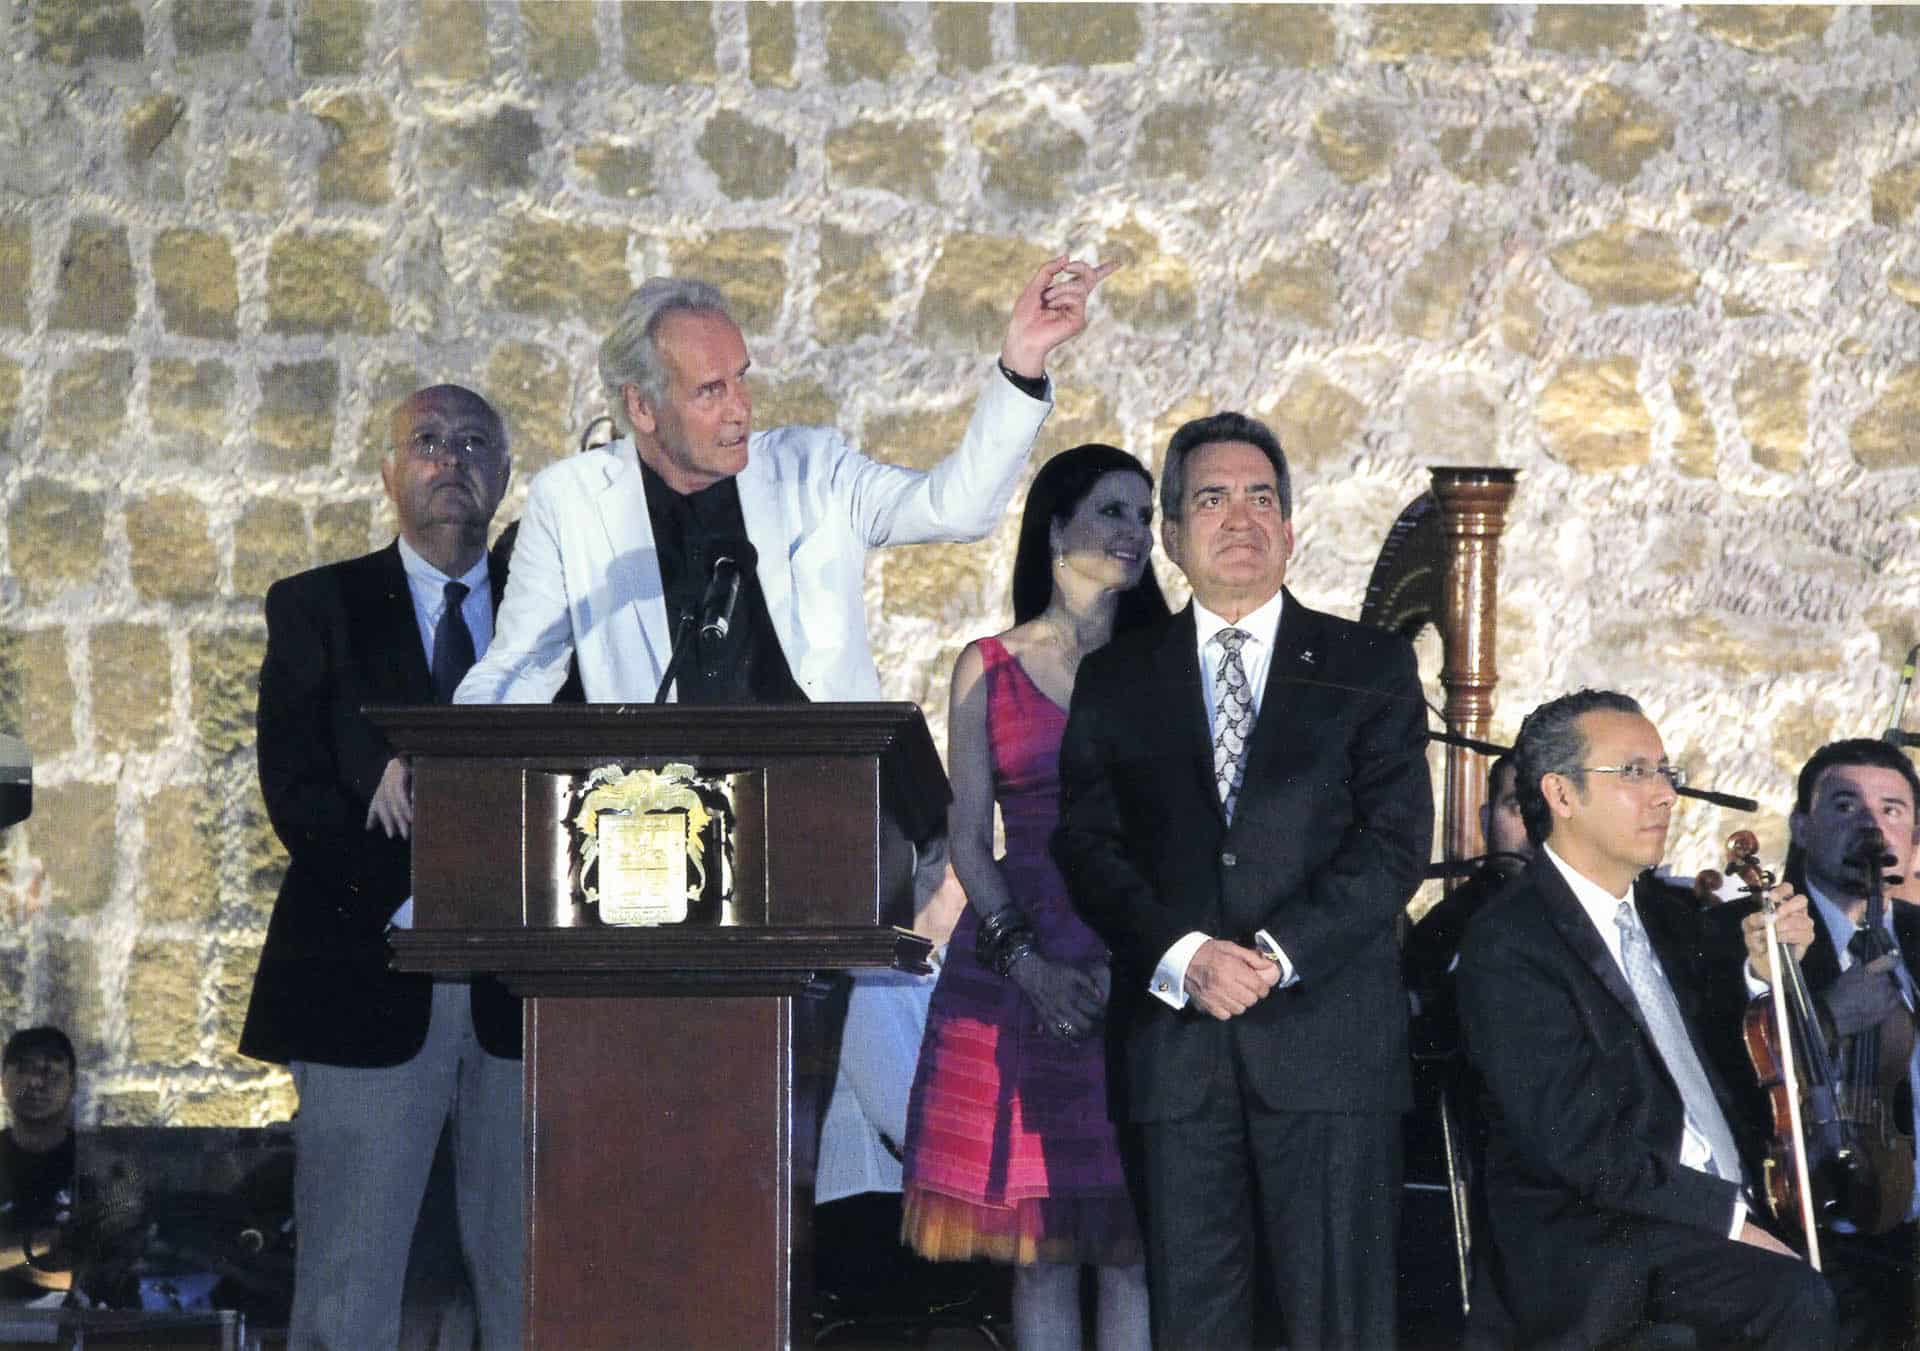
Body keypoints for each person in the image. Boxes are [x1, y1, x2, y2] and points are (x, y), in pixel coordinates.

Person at [1053, 413, 1432, 1351]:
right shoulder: (1115, 678)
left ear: (1291, 530)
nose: (1240, 517)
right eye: (1211, 498)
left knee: (1337, 1326)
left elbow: (1394, 844)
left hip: (1328, 1049)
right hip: (1179, 1058)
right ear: (1173, 538)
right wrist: (1185, 957)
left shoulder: (1368, 666)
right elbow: (1089, 845)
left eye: (1262, 496)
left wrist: (1273, 955)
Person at [454, 256, 1115, 708]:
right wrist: (443, 752)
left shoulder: (813, 469)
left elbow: (957, 508)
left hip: (819, 803)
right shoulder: (572, 501)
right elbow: (519, 667)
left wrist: (1023, 358)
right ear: (642, 407)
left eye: (742, 377)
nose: (741, 406)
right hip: (658, 822)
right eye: (711, 391)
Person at [239, 384, 524, 1349]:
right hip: (370, 971)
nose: (453, 460)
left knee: (527, 1281)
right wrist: (415, 898)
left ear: (506, 474)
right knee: (348, 1288)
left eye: (475, 443)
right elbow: (300, 793)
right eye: (429, 441)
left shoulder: (547, 612)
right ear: (390, 471)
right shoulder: (320, 606)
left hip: (524, 988)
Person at [1456, 689, 1837, 1350]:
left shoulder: (1672, 916)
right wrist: (1728, 1219)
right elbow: (1579, 1147)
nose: (1664, 794)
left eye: (1666, 772)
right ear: (1562, 794)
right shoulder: (1508, 943)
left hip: (1703, 1220)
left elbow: (1730, 1053)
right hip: (1600, 1243)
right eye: (1634, 773)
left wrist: (1762, 975)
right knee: (1792, 1296)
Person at [902, 443, 1169, 1351]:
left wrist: (1127, 958)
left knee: (1134, 1243)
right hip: (1017, 962)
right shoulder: (987, 664)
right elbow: (970, 841)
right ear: (1056, 526)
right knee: (1040, 1248)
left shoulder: (1169, 667)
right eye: (1112, 511)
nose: (1135, 532)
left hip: (1135, 953)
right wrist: (1031, 965)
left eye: (1144, 514)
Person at [1731, 738, 1920, 1349]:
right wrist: (1828, 1015)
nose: (1871, 825)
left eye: (1892, 810)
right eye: (1845, 806)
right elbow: (1730, 1080)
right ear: (1802, 829)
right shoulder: (1746, 939)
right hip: (1827, 1228)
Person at [0, 1027, 140, 1309]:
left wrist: (14, 1258)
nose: (37, 1082)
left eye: (52, 1072)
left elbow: (106, 1270)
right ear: (3, 1080)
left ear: (73, 1084)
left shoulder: (103, 1166)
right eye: (24, 1068)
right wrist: (46, 1243)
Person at [1406, 751, 1533, 1051]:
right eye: (1518, 806)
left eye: (1546, 807)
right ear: (1486, 821)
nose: (1537, 826)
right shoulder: (1446, 930)